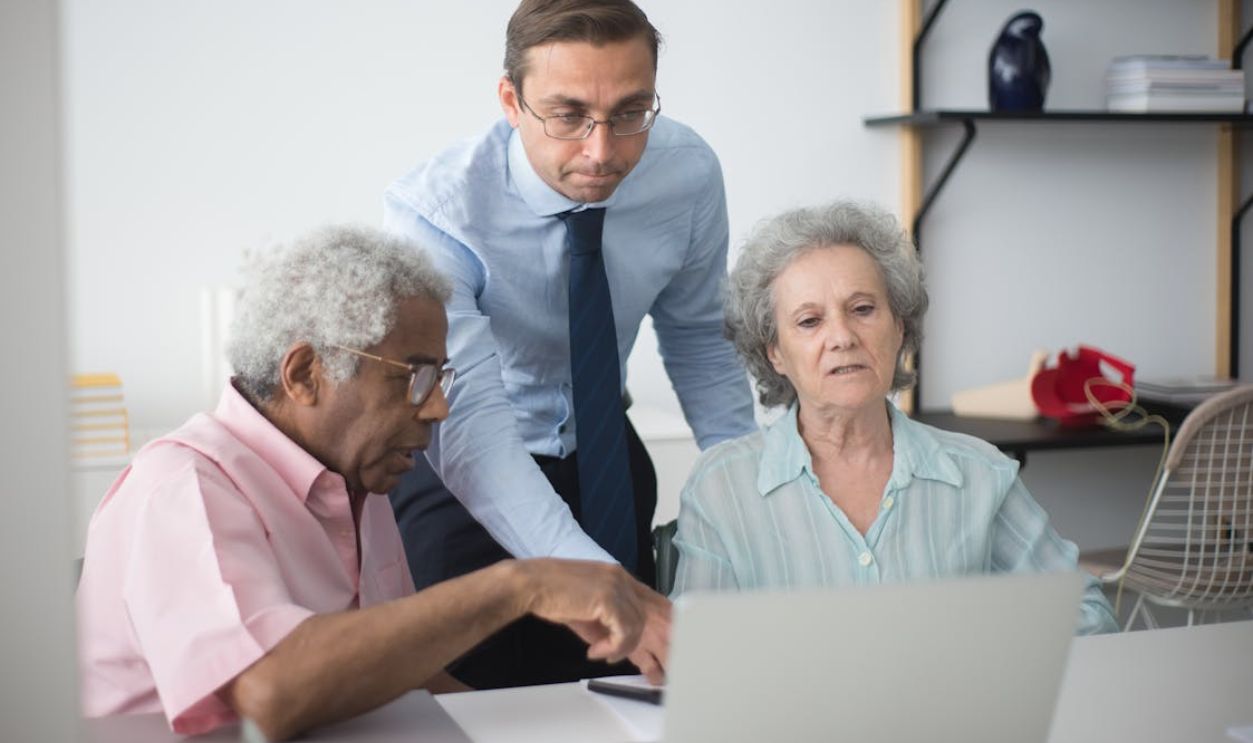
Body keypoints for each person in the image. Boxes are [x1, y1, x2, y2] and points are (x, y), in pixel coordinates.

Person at [76, 226, 667, 740]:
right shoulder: (182, 488)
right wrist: (521, 585)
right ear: (305, 374)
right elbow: (273, 692)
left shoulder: (353, 478)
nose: (437, 408)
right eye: (414, 377)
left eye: (442, 378)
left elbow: (401, 679)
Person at [383, 0, 755, 686]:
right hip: (463, 474)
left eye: (629, 112)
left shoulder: (687, 173)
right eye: (568, 114)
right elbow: (472, 426)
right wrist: (600, 583)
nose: (601, 150)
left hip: (605, 456)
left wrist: (752, 491)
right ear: (510, 100)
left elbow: (700, 337)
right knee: (475, 709)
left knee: (619, 692)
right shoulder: (435, 213)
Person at [671, 201, 1118, 635]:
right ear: (775, 353)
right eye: (809, 321)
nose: (842, 337)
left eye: (863, 309)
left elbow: (1088, 616)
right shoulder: (721, 486)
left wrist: (983, 649)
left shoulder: (981, 474)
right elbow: (691, 654)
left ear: (899, 326)